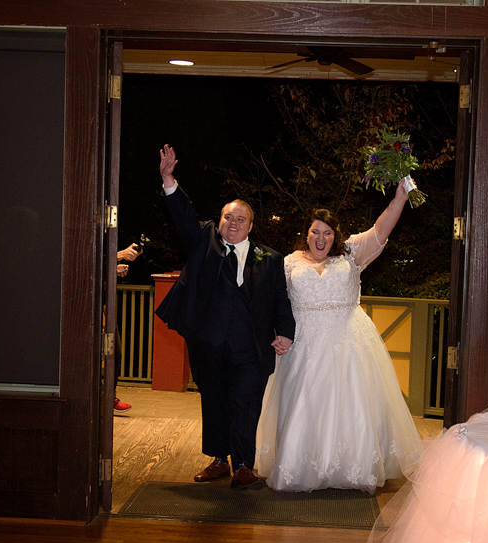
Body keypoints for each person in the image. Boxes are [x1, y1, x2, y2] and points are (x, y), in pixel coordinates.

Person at [256, 179, 423, 494]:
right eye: (315, 232)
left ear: (336, 236)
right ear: (306, 233)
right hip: (304, 347)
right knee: (305, 405)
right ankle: (300, 466)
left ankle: (353, 467)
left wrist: (399, 199)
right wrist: (277, 334)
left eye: (328, 233)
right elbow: (276, 305)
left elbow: (380, 231)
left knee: (351, 406)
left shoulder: (351, 255)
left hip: (349, 344)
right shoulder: (288, 263)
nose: (321, 238)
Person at [154, 144, 296, 490]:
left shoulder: (271, 258)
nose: (233, 224)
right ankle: (219, 460)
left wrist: (286, 332)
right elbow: (184, 215)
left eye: (240, 219)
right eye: (227, 218)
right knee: (214, 401)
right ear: (219, 222)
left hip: (251, 347)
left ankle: (244, 465)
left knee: (245, 402)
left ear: (251, 225)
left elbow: (281, 298)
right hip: (209, 343)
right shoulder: (205, 243)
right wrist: (168, 179)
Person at [113, 243, 142, 413]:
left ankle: (108, 396)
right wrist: (120, 254)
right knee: (112, 353)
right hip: (87, 308)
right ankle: (105, 397)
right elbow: (89, 259)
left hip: (101, 307)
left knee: (114, 353)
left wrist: (112, 269)